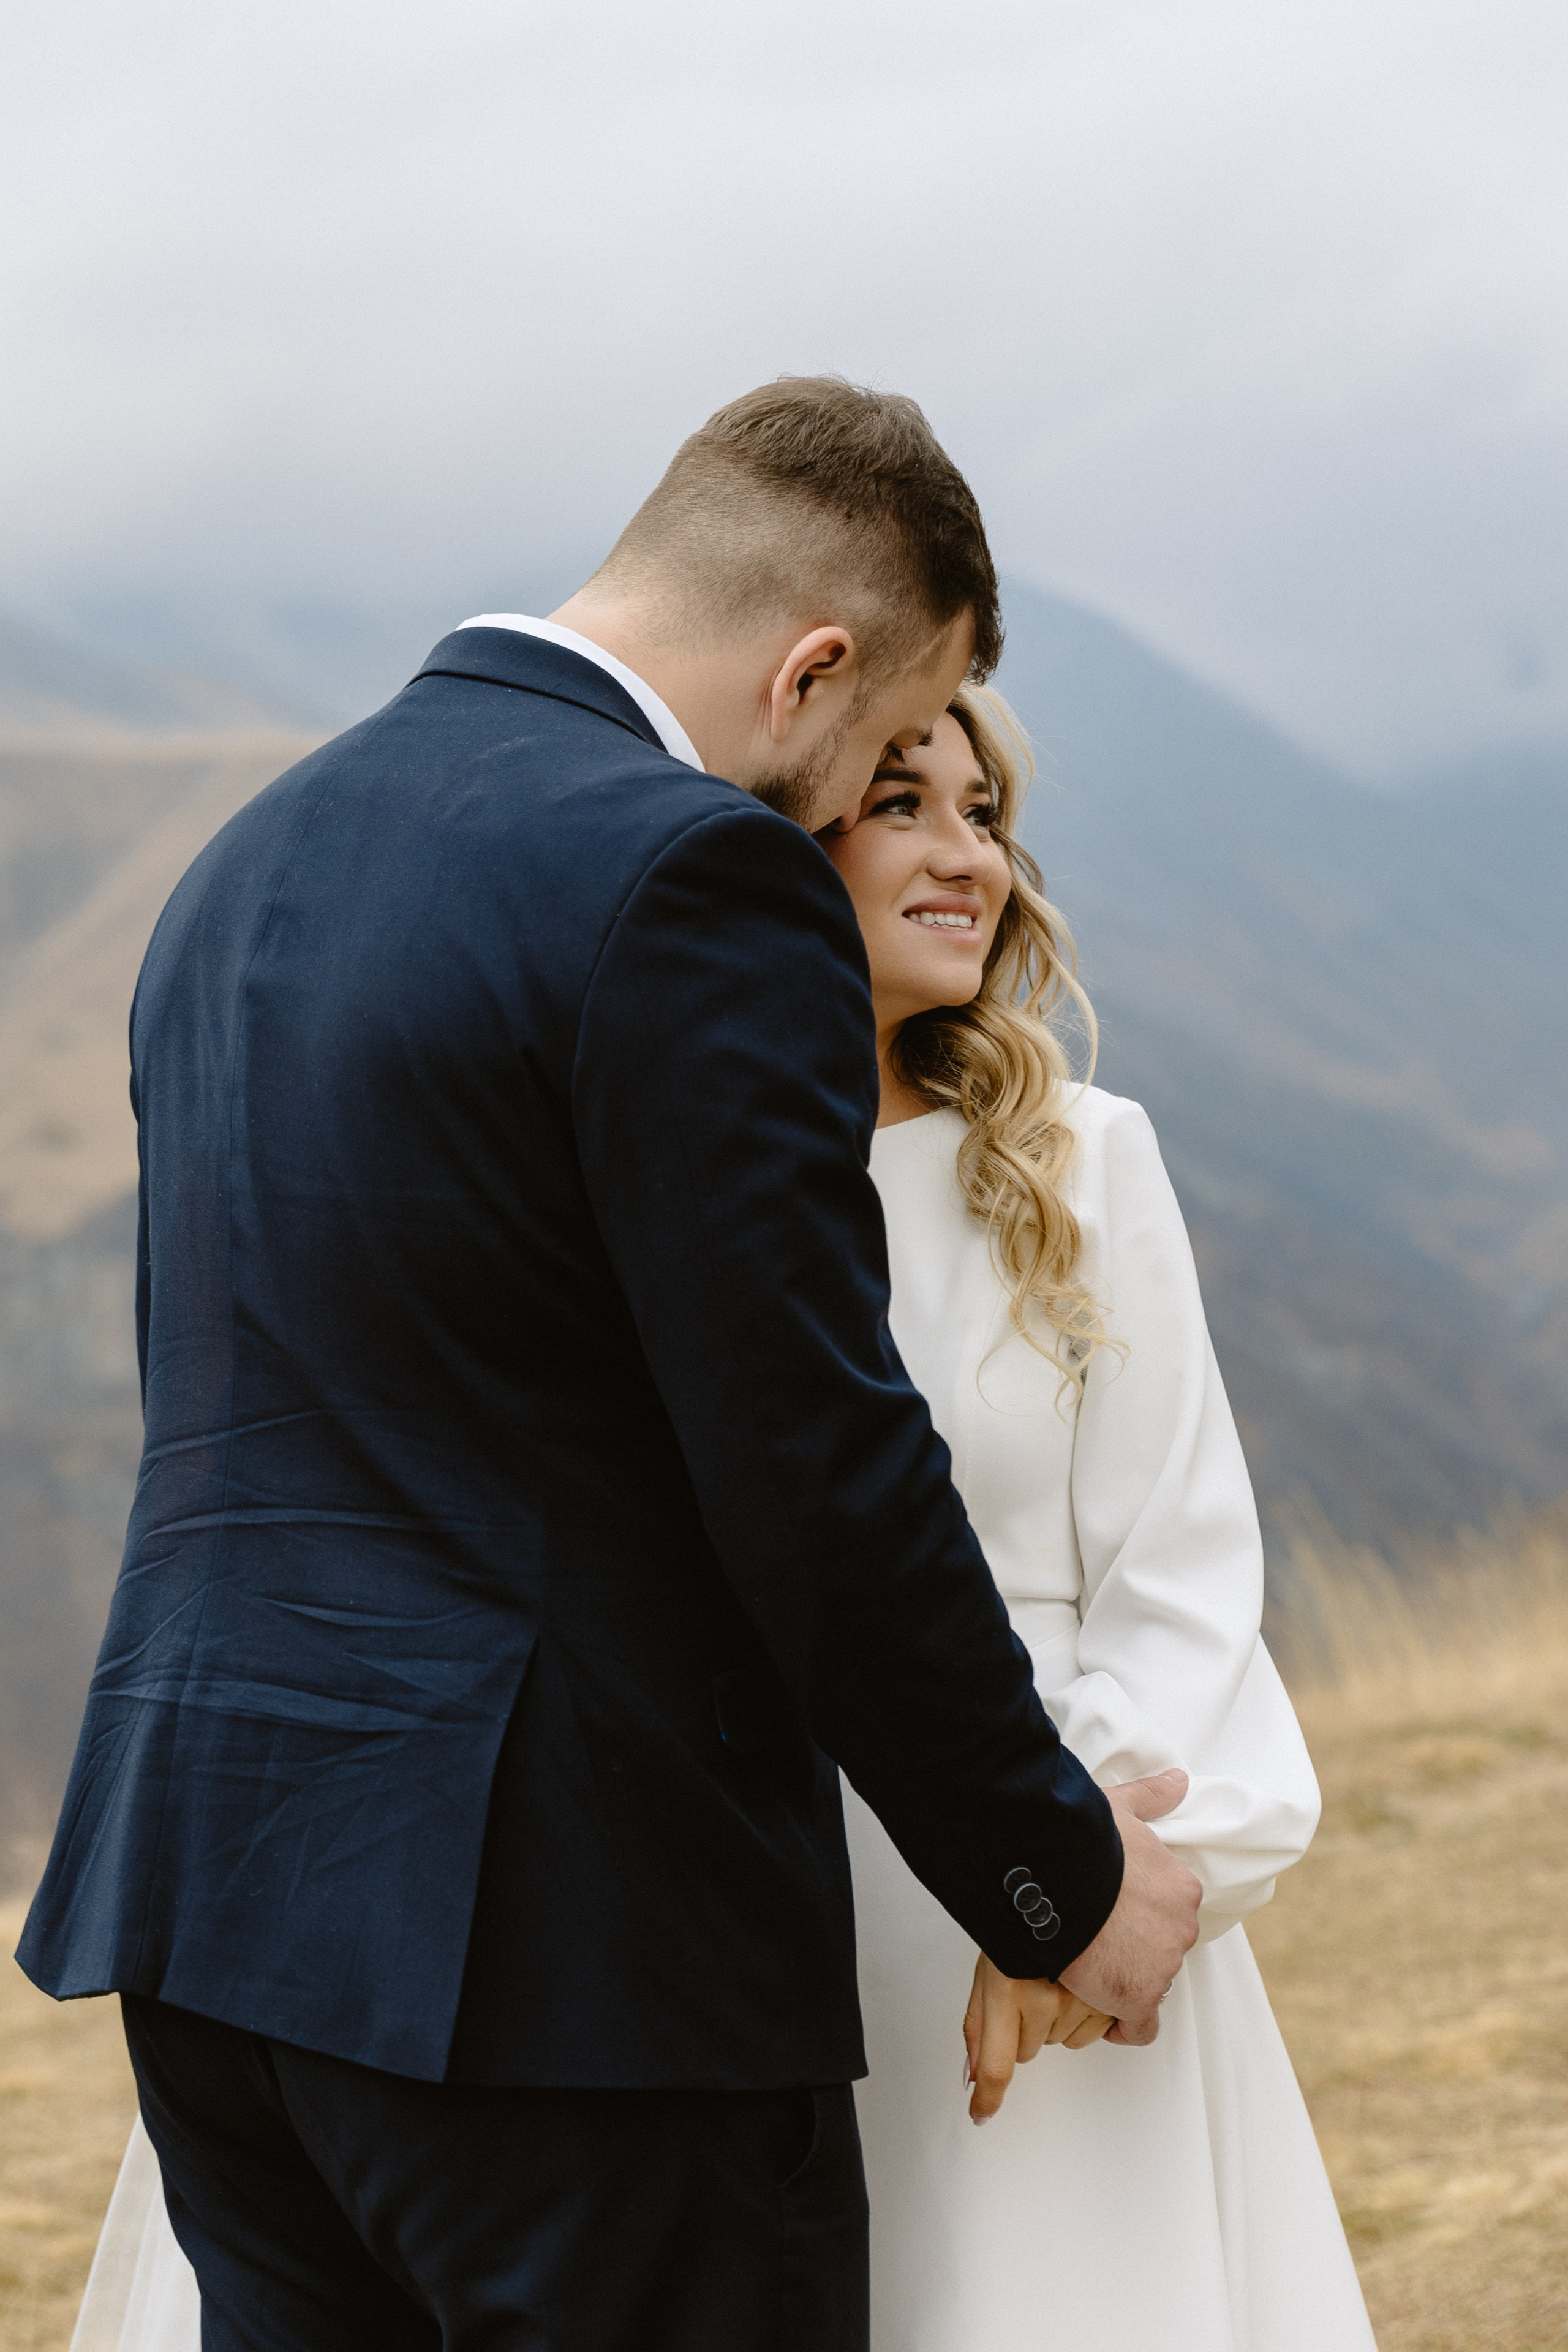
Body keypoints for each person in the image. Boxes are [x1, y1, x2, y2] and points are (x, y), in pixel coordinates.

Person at [20, 379, 1200, 2352]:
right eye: (875, 754)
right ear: (812, 672)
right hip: (569, 1973)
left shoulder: (240, 868)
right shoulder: (690, 878)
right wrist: (1050, 1873)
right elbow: (815, 1458)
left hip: (220, 1934)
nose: (846, 813)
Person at [822, 687, 1376, 2350]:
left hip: (1071, 1867)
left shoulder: (1082, 1159)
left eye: (983, 815)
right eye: (903, 801)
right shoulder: (694, 1177)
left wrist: (1055, 1909)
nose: (963, 854)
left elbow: (1182, 1572)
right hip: (782, 1913)